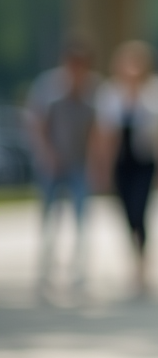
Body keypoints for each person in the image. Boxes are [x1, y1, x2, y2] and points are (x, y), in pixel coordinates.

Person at [94, 40, 158, 296]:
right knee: (126, 214)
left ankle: (142, 266)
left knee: (140, 210)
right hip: (121, 163)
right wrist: (100, 166)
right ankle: (134, 258)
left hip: (146, 161)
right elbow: (103, 134)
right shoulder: (110, 93)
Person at [26, 37, 100, 298]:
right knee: (48, 217)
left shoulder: (94, 90)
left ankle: (79, 270)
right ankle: (45, 268)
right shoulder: (48, 88)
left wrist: (95, 163)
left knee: (81, 217)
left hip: (79, 164)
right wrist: (47, 154)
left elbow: (98, 131)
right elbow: (37, 124)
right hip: (52, 164)